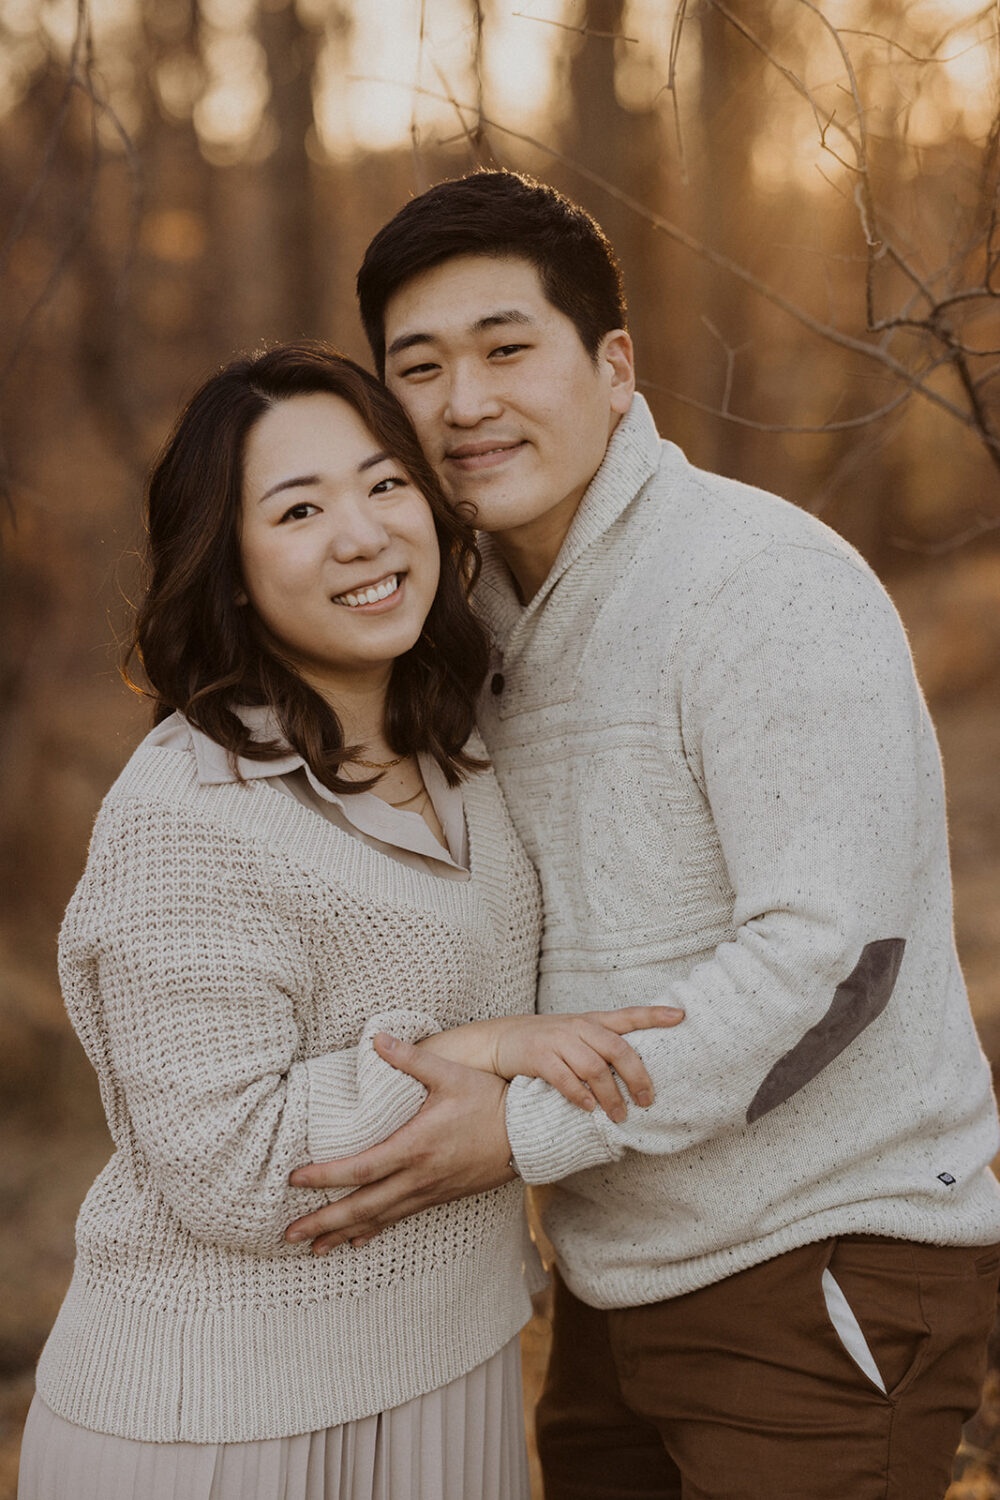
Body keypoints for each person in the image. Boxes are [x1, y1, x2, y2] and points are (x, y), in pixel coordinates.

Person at [283, 174, 1000, 1499]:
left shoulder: (758, 584)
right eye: (420, 368)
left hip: (818, 1257)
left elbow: (828, 960)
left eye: (508, 349)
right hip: (616, 1275)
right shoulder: (468, 622)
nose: (465, 402)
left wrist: (523, 1135)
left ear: (614, 367)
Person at [17, 341, 683, 1500]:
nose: (364, 534)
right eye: (298, 509)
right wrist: (479, 1051)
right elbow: (225, 1167)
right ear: (226, 568)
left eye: (384, 485)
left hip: (450, 1373)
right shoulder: (190, 810)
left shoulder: (461, 748)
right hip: (226, 1421)